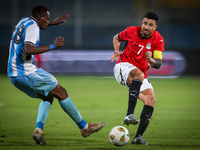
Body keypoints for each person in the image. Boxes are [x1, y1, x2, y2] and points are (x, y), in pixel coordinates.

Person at [7, 5, 105, 145]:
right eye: (46, 19)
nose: (47, 21)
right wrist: (53, 46)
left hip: (13, 75)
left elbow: (33, 29)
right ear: (39, 18)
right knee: (61, 91)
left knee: (48, 96)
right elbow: (28, 49)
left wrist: (52, 22)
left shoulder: (24, 21)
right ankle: (84, 127)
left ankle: (38, 131)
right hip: (26, 71)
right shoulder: (34, 27)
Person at [110, 12, 164, 145]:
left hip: (140, 73)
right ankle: (129, 114)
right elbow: (116, 38)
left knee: (151, 100)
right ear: (142, 23)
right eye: (145, 23)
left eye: (150, 25)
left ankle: (138, 137)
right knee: (138, 74)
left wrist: (150, 59)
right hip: (123, 66)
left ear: (155, 27)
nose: (146, 27)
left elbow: (157, 64)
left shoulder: (158, 39)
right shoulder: (131, 31)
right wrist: (117, 50)